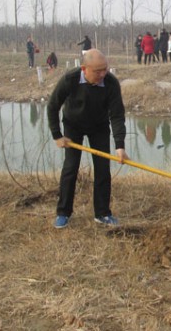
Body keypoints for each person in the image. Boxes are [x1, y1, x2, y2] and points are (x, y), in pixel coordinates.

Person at [47, 49, 128, 228]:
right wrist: (57, 136)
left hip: (99, 127)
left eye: (105, 69)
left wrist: (120, 145)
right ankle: (63, 213)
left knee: (102, 168)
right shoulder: (70, 79)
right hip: (73, 125)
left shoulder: (110, 83)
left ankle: (102, 213)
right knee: (70, 167)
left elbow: (117, 115)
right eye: (98, 71)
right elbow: (53, 106)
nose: (102, 74)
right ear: (84, 68)